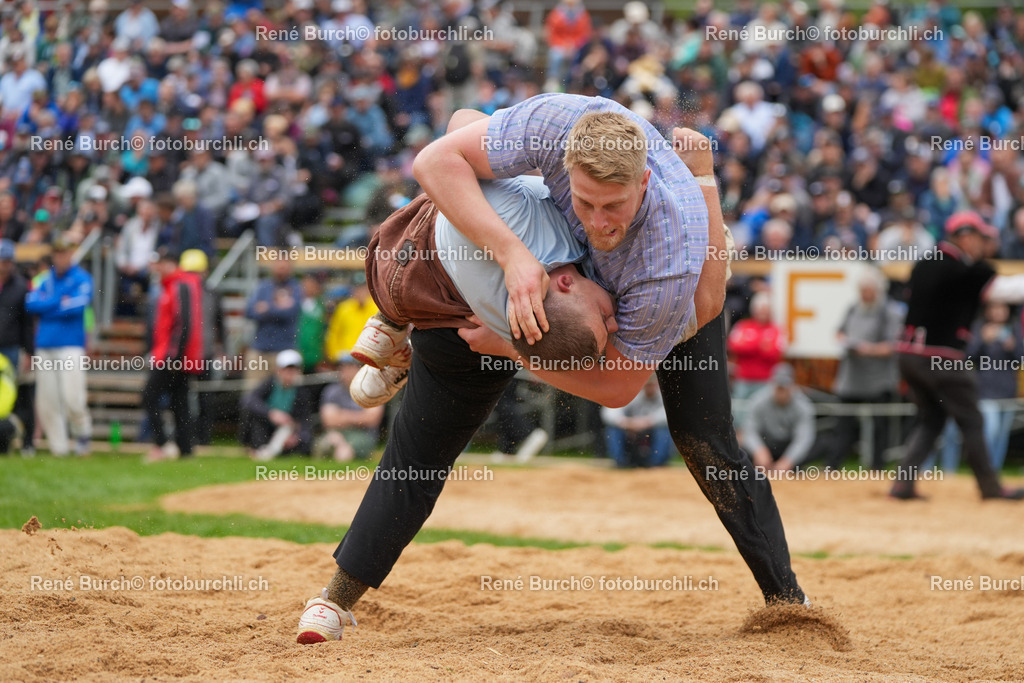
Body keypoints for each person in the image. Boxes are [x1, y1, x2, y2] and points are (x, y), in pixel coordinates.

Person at [296, 99, 803, 645]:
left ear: (644, 182)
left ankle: (788, 602)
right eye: (585, 203)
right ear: (562, 166)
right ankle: (333, 600)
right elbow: (443, 151)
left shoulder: (667, 262)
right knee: (421, 451)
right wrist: (513, 257)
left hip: (666, 309)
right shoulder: (554, 126)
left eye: (614, 206)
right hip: (500, 289)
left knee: (705, 439)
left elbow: (633, 372)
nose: (599, 221)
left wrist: (703, 182)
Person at [346, 175, 613, 408]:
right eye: (603, 315)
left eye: (604, 316)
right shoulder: (508, 321)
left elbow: (448, 149)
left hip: (404, 259)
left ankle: (390, 325)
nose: (615, 323)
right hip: (414, 271)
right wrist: (510, 349)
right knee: (466, 322)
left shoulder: (539, 225)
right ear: (565, 283)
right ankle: (395, 328)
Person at [891, 211, 1024, 500]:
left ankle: (902, 484)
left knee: (931, 418)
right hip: (941, 358)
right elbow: (1006, 291)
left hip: (908, 356)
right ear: (964, 236)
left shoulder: (926, 262)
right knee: (972, 421)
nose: (984, 245)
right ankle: (990, 487)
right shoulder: (962, 269)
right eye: (980, 237)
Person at [829, 268, 904, 470]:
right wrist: (845, 341)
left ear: (878, 290)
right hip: (851, 378)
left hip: (878, 380)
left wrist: (868, 349)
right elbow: (839, 332)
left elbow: (895, 345)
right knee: (843, 425)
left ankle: (877, 469)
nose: (864, 294)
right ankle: (833, 467)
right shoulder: (853, 308)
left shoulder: (889, 312)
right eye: (862, 290)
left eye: (868, 290)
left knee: (880, 427)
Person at [25, 236, 93, 457]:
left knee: (73, 397)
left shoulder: (81, 277)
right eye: (57, 253)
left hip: (71, 344)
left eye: (64, 252)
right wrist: (57, 300)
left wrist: (49, 305)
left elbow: (77, 306)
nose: (60, 257)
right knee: (47, 400)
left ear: (71, 254)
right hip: (45, 344)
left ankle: (82, 435)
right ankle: (59, 447)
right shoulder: (46, 279)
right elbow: (31, 303)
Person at [142, 248, 204, 463]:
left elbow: (184, 323)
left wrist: (174, 357)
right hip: (173, 354)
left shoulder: (179, 285)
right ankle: (185, 450)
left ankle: (162, 444)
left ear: (168, 263)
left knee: (150, 395)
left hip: (174, 356)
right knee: (180, 402)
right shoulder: (171, 285)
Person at [965, 301, 1022, 472]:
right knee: (990, 432)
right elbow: (967, 357)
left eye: (1002, 308)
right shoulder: (978, 328)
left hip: (1008, 391)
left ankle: (994, 472)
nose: (998, 312)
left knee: (1001, 437)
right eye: (994, 308)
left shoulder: (1013, 328)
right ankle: (984, 471)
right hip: (985, 390)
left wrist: (1014, 346)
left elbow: (1021, 359)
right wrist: (982, 340)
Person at [743, 364, 822, 472]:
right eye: (778, 387)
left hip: (789, 445)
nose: (781, 392)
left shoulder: (803, 406)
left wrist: (789, 460)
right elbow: (750, 431)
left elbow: (803, 438)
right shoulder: (758, 401)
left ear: (792, 386)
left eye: (784, 388)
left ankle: (793, 467)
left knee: (819, 443)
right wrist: (759, 450)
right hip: (766, 445)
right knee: (741, 445)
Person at [239, 349, 315, 461]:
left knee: (305, 443)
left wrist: (297, 437)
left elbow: (305, 420)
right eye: (287, 370)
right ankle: (259, 447)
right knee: (254, 417)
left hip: (287, 431)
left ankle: (273, 450)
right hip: (266, 428)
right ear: (278, 370)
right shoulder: (269, 384)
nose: (290, 374)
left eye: (293, 370)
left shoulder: (301, 393)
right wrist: (271, 414)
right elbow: (249, 400)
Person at [244, 255, 301, 390]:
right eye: (278, 266)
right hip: (260, 349)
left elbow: (291, 312)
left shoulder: (295, 287)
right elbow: (249, 312)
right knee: (253, 392)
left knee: (286, 393)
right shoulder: (263, 286)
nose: (281, 270)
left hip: (284, 349)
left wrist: (266, 308)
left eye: (284, 267)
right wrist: (277, 306)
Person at [315, 354, 383, 462]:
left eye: (349, 367)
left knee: (350, 449)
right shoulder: (331, 391)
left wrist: (341, 415)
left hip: (363, 435)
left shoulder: (371, 390)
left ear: (359, 369)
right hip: (337, 433)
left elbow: (373, 419)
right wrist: (359, 417)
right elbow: (329, 421)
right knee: (322, 446)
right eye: (342, 367)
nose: (345, 371)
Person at [0, 239, 34, 454]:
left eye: (8, 260)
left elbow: (27, 323)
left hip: (11, 348)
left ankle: (22, 442)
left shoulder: (21, 286)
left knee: (14, 396)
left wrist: (29, 352)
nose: (5, 264)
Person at [601, 376, 672, 468]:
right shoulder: (632, 395)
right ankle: (620, 462)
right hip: (630, 430)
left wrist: (646, 422)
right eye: (647, 385)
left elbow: (668, 416)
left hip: (653, 430)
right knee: (613, 430)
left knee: (664, 430)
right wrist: (625, 422)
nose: (649, 388)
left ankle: (656, 463)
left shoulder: (666, 398)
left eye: (652, 385)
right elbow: (610, 411)